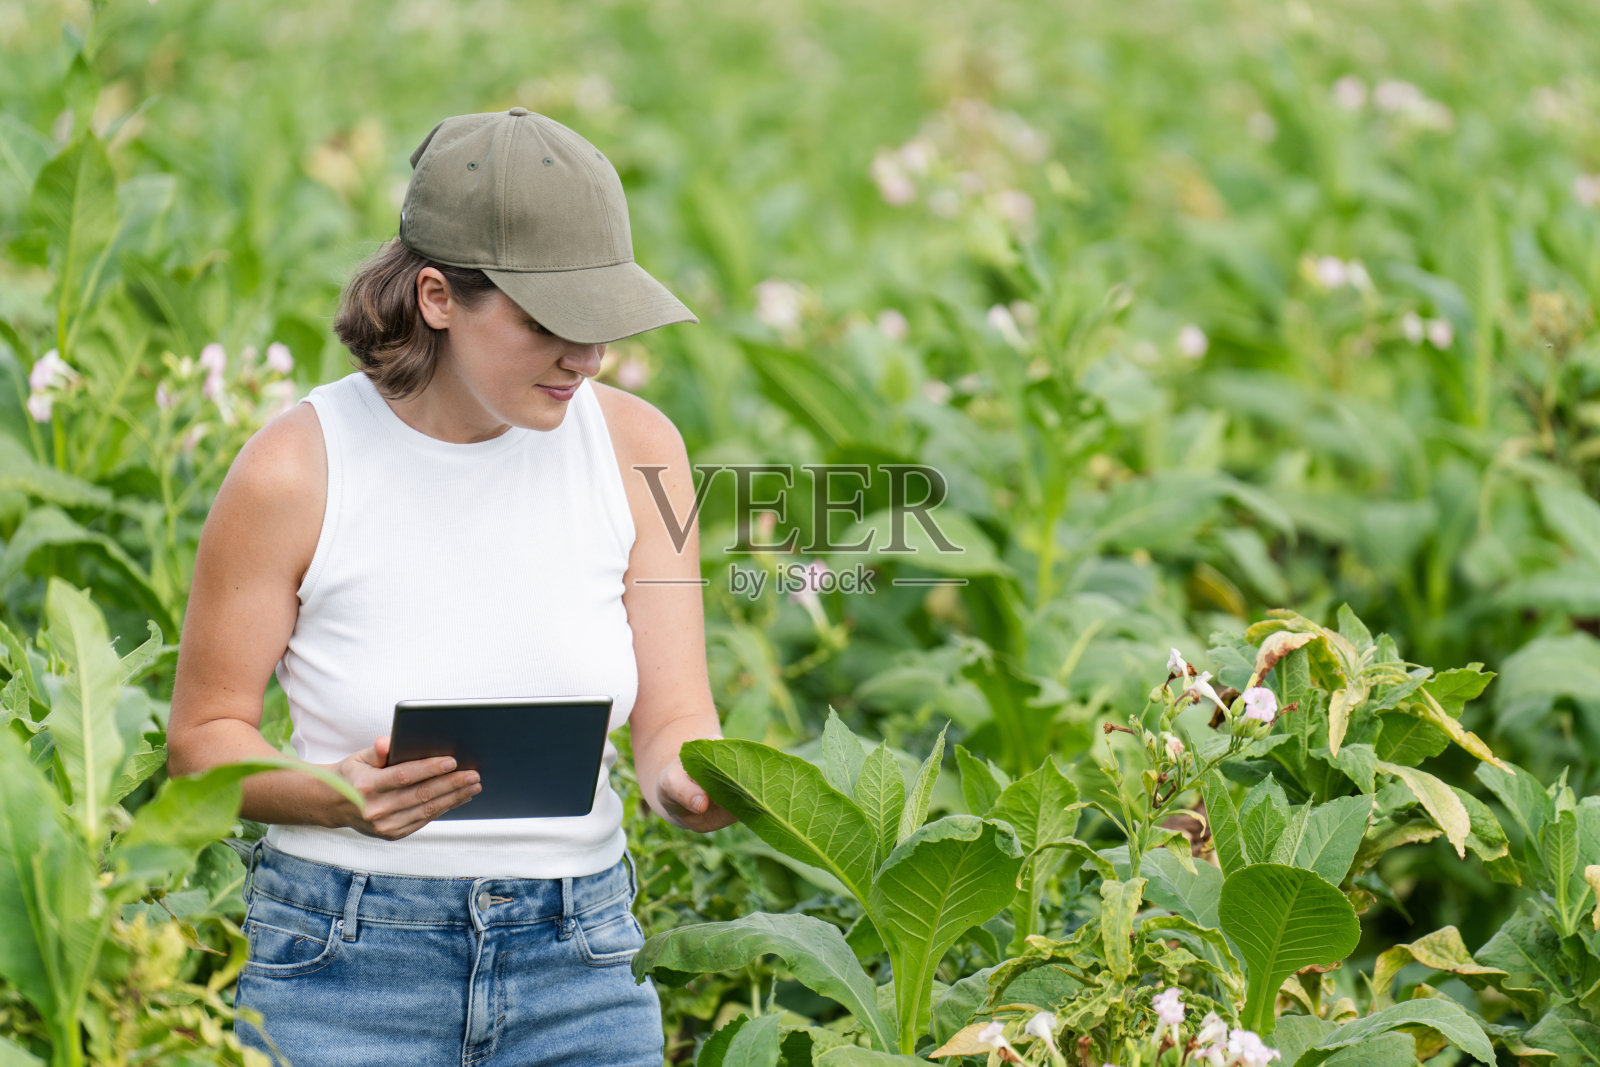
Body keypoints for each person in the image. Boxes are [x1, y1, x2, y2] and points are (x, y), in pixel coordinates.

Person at [166, 107, 734, 1067]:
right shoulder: (297, 470)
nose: (586, 360)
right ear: (437, 295)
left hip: (582, 962)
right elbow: (201, 743)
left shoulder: (643, 451)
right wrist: (332, 793)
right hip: (342, 965)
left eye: (602, 326)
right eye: (551, 325)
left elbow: (675, 718)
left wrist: (695, 785)